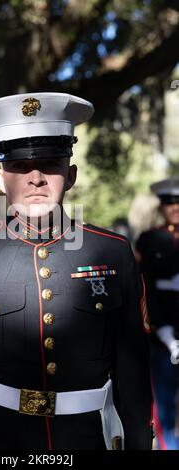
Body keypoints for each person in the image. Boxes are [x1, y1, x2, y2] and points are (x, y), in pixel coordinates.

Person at [0, 92, 152, 450]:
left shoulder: (112, 252)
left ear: (70, 175)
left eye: (51, 163)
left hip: (87, 440)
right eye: (19, 166)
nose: (36, 177)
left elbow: (133, 374)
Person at [135, 178, 179, 450]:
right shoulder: (150, 240)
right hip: (163, 336)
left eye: (178, 203)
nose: (174, 208)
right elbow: (143, 286)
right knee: (163, 407)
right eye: (169, 203)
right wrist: (161, 330)